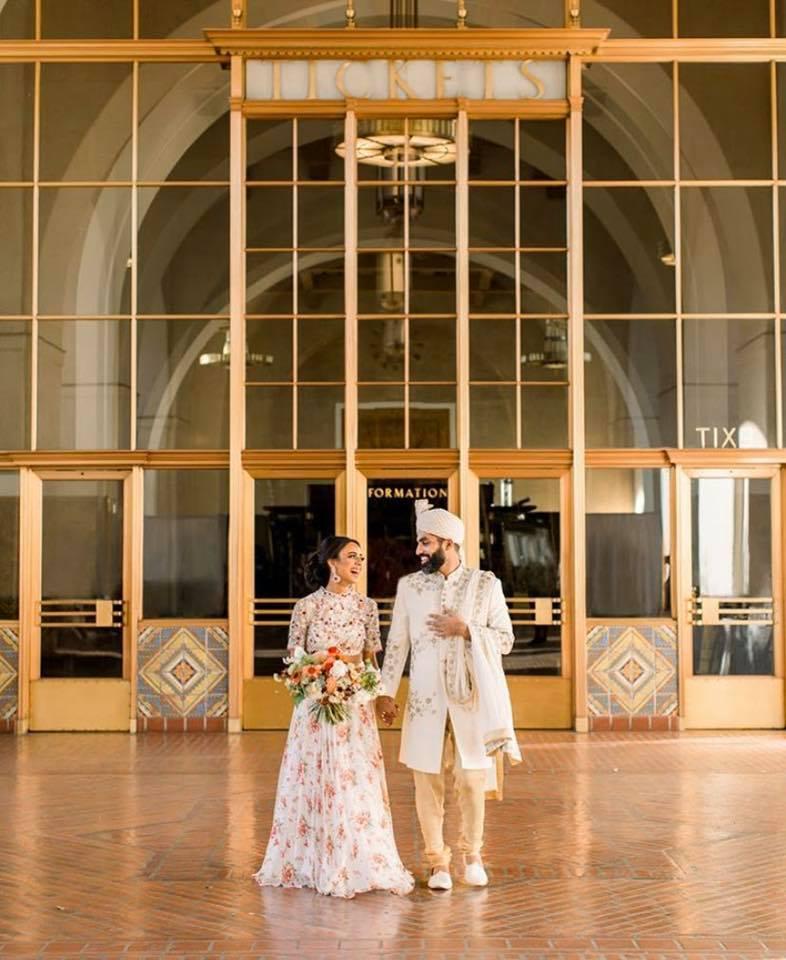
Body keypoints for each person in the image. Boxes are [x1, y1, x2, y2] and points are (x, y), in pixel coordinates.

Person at [254, 535, 414, 899]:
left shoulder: (367, 607)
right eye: (351, 557)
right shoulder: (306, 607)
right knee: (318, 777)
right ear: (332, 563)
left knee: (355, 778)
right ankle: (312, 860)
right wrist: (316, 681)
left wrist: (382, 695)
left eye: (361, 558)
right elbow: (295, 660)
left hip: (355, 708)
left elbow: (371, 660)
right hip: (315, 707)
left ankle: (361, 858)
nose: (358, 563)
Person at [376, 501, 520, 890]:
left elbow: (505, 640)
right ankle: (437, 862)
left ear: (449, 543)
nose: (418, 550)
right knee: (427, 780)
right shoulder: (410, 587)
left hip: (469, 699)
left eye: (426, 542)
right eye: (419, 542)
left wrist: (466, 629)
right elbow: (397, 644)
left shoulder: (485, 584)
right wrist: (385, 692)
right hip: (425, 700)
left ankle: (472, 854)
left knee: (472, 779)